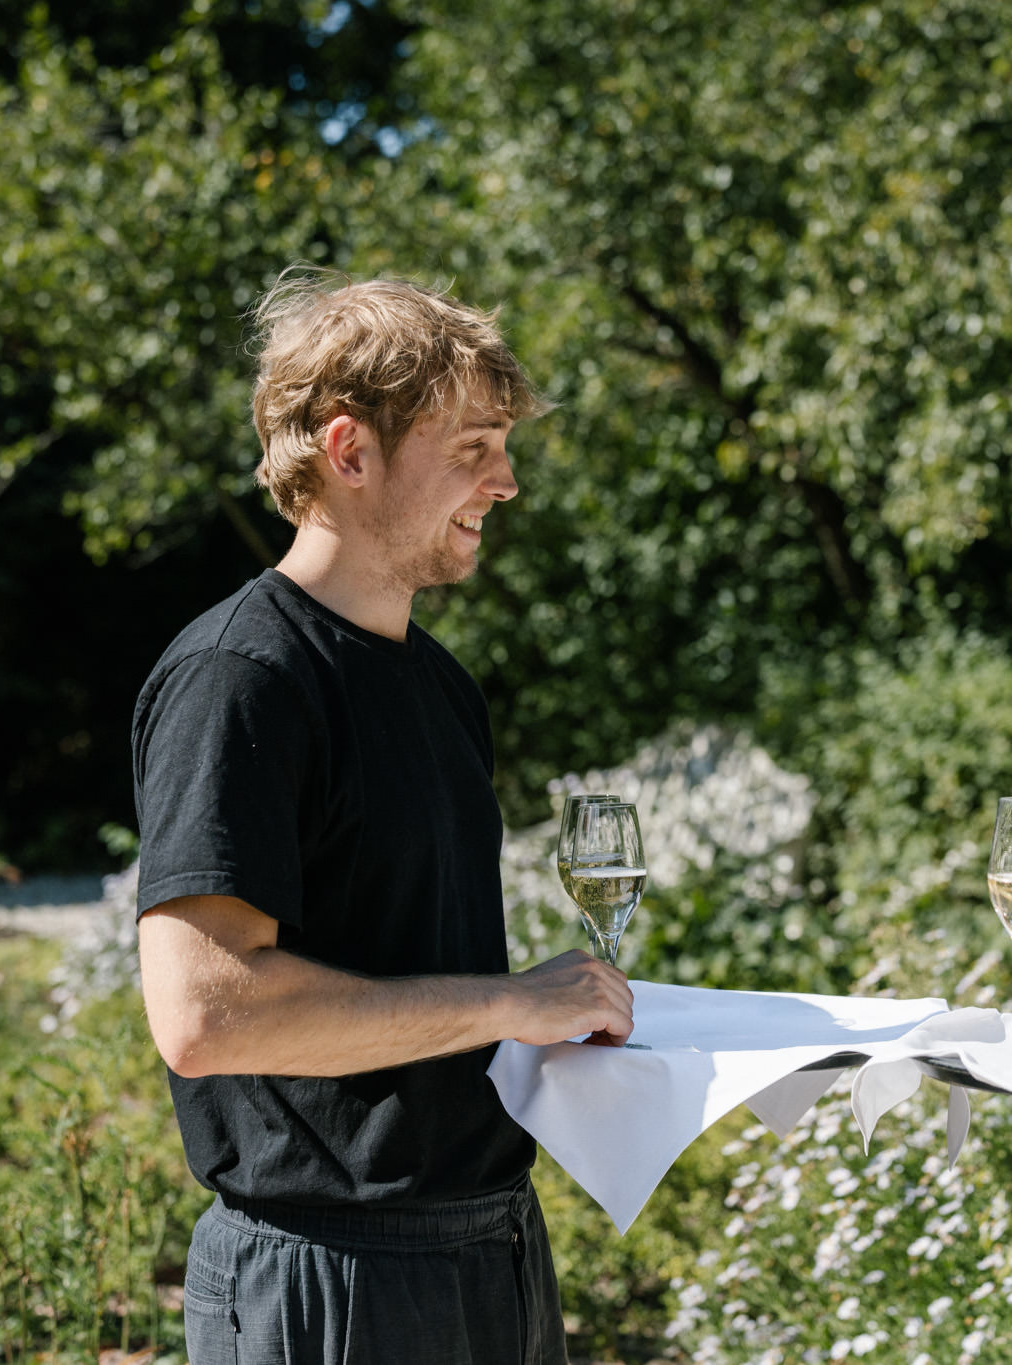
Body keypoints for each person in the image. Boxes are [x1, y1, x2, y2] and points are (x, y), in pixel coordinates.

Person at [132, 271, 634, 1365]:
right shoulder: (239, 678)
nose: (505, 482)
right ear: (349, 451)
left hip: (493, 1249)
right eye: (473, 447)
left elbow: (417, 992)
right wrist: (509, 1001)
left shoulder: (441, 683)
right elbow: (205, 1016)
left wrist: (556, 1027)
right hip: (331, 1283)